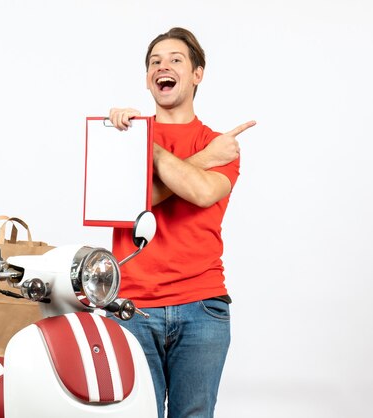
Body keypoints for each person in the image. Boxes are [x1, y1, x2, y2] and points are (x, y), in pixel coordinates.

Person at [109, 27, 255, 418]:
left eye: (175, 59)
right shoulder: (123, 139)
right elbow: (130, 204)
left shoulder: (222, 142)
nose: (163, 66)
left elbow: (203, 193)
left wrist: (150, 151)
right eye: (155, 62)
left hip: (202, 307)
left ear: (197, 74)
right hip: (131, 307)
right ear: (147, 80)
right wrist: (149, 143)